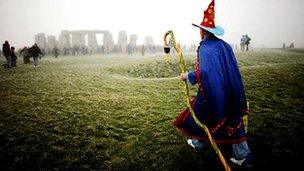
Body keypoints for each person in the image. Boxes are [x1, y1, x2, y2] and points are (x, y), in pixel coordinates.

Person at [173, 0, 253, 168]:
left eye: (200, 30)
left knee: (203, 114)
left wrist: (187, 75)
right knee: (230, 116)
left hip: (214, 92)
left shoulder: (205, 48)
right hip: (230, 89)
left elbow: (206, 74)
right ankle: (202, 143)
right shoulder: (224, 45)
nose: (199, 32)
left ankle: (243, 155)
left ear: (203, 31)